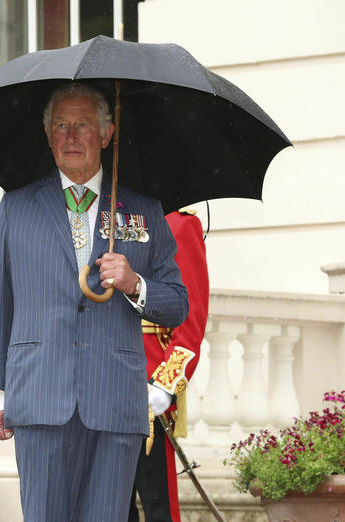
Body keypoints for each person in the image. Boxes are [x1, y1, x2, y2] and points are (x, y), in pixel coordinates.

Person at [0, 81, 189, 521]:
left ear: (107, 134)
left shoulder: (143, 210)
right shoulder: (15, 209)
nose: (71, 137)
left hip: (115, 397)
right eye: (60, 125)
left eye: (82, 125)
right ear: (48, 134)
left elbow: (177, 305)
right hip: (39, 396)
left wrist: (135, 283)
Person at [129, 209, 209, 522]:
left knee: (157, 507)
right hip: (103, 383)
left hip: (150, 386)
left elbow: (190, 321)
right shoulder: (103, 223)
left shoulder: (178, 224)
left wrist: (165, 384)